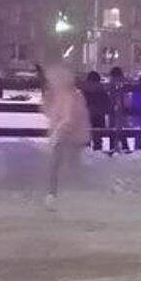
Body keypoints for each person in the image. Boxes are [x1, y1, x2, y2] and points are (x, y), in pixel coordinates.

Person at [40, 64, 91, 206]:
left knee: (57, 166)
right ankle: (62, 194)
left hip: (69, 137)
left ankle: (54, 194)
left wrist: (57, 134)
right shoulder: (61, 95)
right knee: (66, 166)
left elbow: (69, 119)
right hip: (66, 136)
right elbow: (50, 114)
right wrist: (47, 100)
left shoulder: (71, 96)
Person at [81, 70, 110, 152]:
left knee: (86, 138)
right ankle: (97, 154)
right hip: (98, 116)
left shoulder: (84, 90)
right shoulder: (101, 90)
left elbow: (80, 102)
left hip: (87, 116)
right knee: (97, 139)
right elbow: (107, 103)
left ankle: (87, 154)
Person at [107, 66, 129, 154]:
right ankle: (125, 149)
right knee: (122, 132)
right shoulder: (123, 84)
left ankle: (112, 149)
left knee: (113, 131)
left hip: (113, 111)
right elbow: (127, 98)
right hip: (121, 112)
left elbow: (109, 97)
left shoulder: (111, 85)